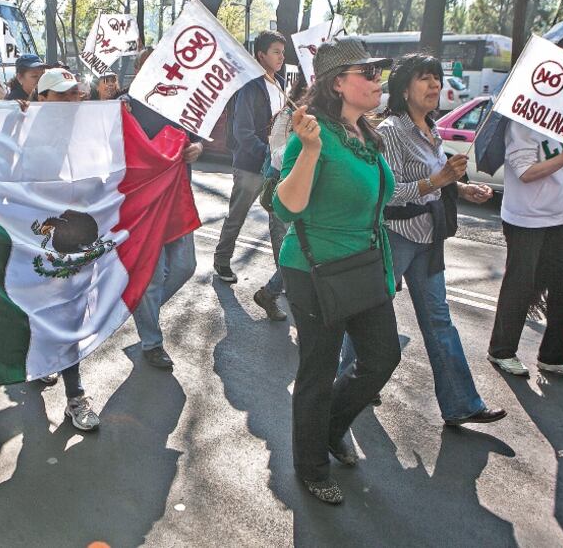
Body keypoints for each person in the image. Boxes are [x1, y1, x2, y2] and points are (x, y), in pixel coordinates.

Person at [272, 37, 401, 505]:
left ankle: (328, 428)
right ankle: (311, 467)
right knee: (318, 372)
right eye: (367, 73)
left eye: (378, 72)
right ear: (337, 84)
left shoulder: (365, 133)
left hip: (363, 267)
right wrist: (308, 151)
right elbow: (286, 208)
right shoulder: (312, 133)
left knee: (383, 357)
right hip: (315, 270)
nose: (377, 80)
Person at [376, 54, 505, 426]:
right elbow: (388, 192)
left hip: (429, 238)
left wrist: (462, 189)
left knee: (439, 320)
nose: (434, 84)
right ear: (404, 89)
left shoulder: (431, 128)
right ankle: (353, 382)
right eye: (425, 78)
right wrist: (438, 181)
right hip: (396, 236)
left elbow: (438, 179)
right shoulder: (390, 131)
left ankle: (461, 404)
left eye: (436, 77)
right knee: (373, 315)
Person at [25, 67, 103, 430]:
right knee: (47, 314)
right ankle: (60, 377)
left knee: (70, 316)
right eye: (61, 94)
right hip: (40, 244)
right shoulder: (22, 135)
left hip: (80, 242)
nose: (72, 101)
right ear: (42, 99)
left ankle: (73, 393)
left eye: (75, 93)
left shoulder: (93, 133)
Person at [486, 114, 563, 377]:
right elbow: (525, 172)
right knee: (521, 284)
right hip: (526, 218)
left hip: (557, 218)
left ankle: (553, 356)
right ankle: (501, 351)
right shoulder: (524, 121)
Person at [122, 48, 203, 369]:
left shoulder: (181, 99)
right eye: (149, 65)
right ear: (139, 69)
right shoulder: (127, 104)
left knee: (185, 266)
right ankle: (152, 342)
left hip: (177, 199)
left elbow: (196, 138)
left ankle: (144, 311)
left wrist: (197, 147)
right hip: (143, 205)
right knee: (152, 277)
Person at [214, 30, 289, 322]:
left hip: (277, 166)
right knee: (238, 214)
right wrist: (266, 155)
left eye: (282, 52)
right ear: (261, 55)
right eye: (276, 52)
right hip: (251, 164)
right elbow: (242, 132)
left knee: (280, 223)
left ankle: (284, 277)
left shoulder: (280, 84)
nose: (281, 57)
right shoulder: (249, 86)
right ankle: (222, 260)